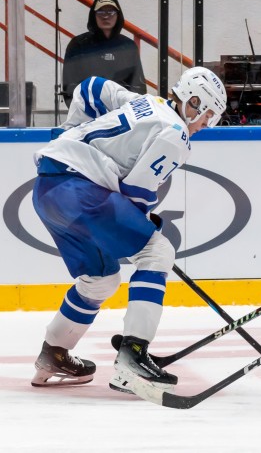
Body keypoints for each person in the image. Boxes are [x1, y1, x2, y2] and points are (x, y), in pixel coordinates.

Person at [31, 67, 227, 394]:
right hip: (81, 191)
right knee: (157, 251)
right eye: (207, 116)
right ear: (193, 102)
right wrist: (141, 222)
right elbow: (136, 192)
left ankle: (54, 353)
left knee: (101, 280)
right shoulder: (176, 132)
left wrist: (69, 131)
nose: (205, 125)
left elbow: (91, 87)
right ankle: (133, 355)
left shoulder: (144, 101)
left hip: (47, 189)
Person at [62, 0, 147, 107]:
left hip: (121, 112)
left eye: (110, 12)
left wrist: (128, 111)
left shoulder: (128, 46)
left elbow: (138, 86)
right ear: (94, 15)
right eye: (101, 12)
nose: (106, 16)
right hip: (87, 111)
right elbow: (70, 86)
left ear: (118, 15)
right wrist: (82, 110)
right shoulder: (78, 44)